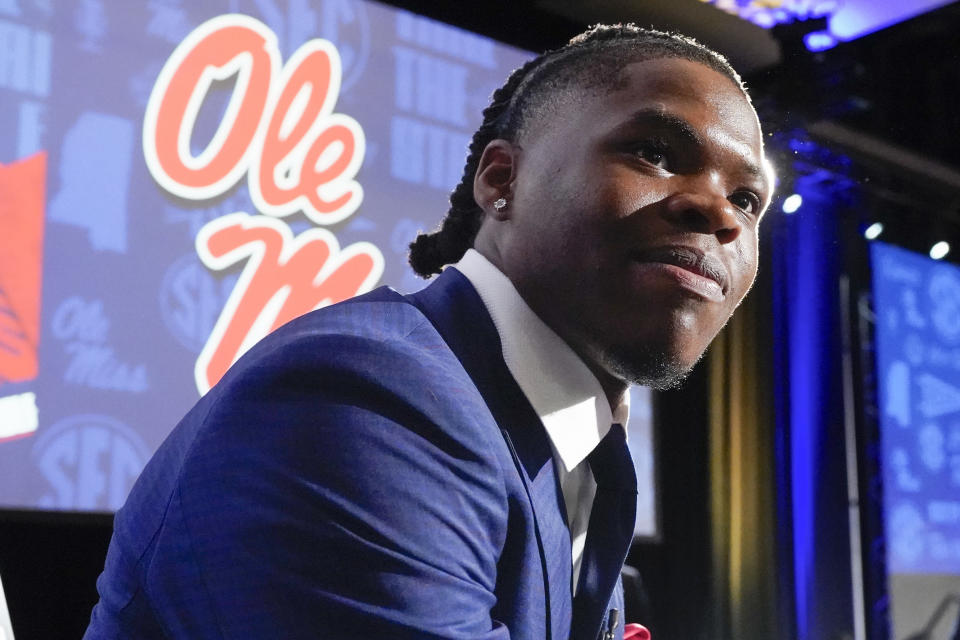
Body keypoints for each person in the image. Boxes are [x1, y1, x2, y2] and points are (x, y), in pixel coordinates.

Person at [84, 23, 772, 640]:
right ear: (501, 178)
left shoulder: (565, 435)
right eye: (654, 152)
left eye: (747, 199)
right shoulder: (366, 402)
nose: (719, 212)